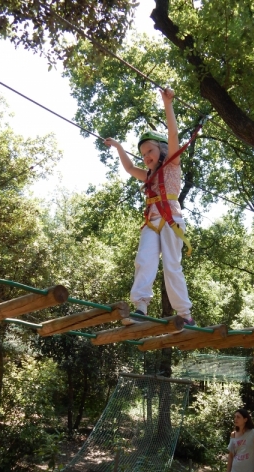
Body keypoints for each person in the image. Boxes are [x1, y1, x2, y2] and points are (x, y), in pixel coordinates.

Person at [104, 88, 195, 326]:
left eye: (150, 151)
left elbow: (173, 133)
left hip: (171, 219)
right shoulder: (147, 175)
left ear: (162, 150)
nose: (146, 157)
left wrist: (168, 104)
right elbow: (128, 168)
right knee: (144, 261)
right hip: (150, 223)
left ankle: (185, 314)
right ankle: (141, 307)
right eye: (143, 154)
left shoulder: (173, 163)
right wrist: (118, 147)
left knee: (171, 266)